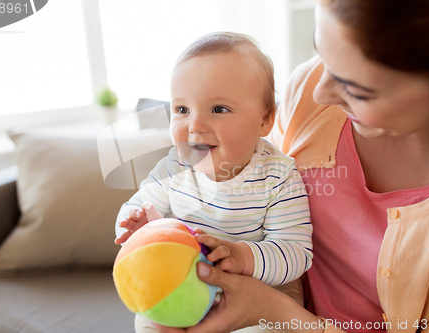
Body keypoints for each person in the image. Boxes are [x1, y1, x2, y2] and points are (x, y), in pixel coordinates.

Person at [152, 1, 429, 333]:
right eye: (323, 56)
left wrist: (271, 310)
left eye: (357, 89)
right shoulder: (306, 93)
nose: (319, 92)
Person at [114, 32, 314, 332]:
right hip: (184, 285)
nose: (194, 125)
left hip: (261, 295)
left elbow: (296, 254)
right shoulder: (174, 166)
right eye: (182, 110)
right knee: (147, 322)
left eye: (218, 109)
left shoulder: (279, 175)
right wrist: (138, 225)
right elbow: (138, 205)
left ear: (265, 119)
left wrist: (240, 256)